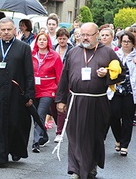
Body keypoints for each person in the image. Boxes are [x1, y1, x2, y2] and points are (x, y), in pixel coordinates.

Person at [56, 22, 124, 179]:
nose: (84, 38)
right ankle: (75, 168)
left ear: (96, 36)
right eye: (82, 34)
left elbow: (121, 74)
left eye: (88, 35)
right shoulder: (73, 52)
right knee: (74, 134)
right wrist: (60, 99)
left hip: (97, 101)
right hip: (75, 100)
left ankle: (91, 165)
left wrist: (106, 74)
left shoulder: (108, 53)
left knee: (94, 136)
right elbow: (64, 78)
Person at [0, 17, 35, 168]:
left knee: (15, 123)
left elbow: (29, 73)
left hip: (16, 93)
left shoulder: (23, 48)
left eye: (9, 30)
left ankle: (14, 149)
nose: (6, 33)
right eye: (3, 30)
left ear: (15, 30)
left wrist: (29, 94)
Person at [31, 32, 63, 153]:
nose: (42, 42)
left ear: (48, 42)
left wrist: (61, 93)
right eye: (40, 40)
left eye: (44, 39)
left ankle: (36, 142)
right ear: (37, 41)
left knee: (40, 113)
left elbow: (59, 75)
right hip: (34, 89)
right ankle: (43, 136)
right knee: (35, 114)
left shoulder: (54, 56)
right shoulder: (32, 55)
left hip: (49, 89)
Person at [109, 32, 136, 156]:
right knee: (113, 116)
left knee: (127, 118)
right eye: (124, 41)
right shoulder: (115, 55)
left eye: (128, 41)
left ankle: (124, 145)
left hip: (130, 91)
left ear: (132, 43)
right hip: (116, 90)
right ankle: (118, 139)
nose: (126, 44)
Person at [52, 28, 73, 143]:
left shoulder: (71, 50)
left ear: (67, 39)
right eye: (60, 38)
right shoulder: (53, 49)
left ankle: (59, 132)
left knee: (62, 105)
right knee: (52, 106)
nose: (62, 41)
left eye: (64, 38)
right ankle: (60, 124)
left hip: (66, 80)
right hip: (54, 80)